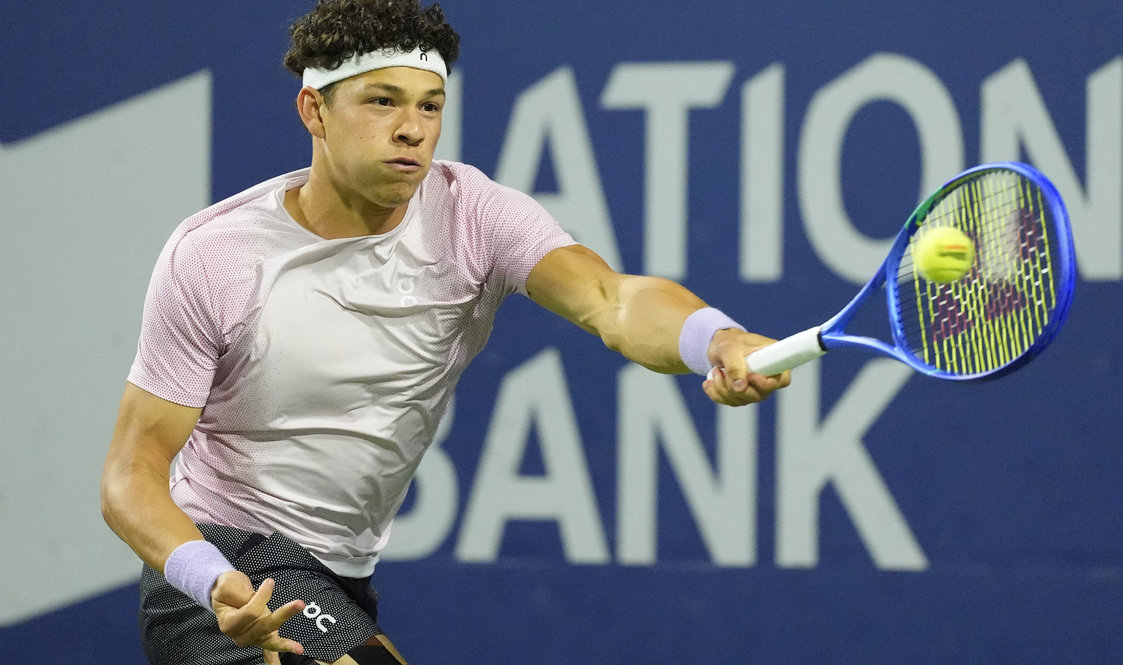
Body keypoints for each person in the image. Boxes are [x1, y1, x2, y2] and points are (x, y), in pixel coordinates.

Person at [100, 1, 790, 663]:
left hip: (342, 576)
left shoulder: (474, 217)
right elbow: (132, 473)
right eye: (382, 101)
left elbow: (612, 300)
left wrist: (716, 339)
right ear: (314, 110)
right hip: (229, 569)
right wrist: (209, 577)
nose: (412, 128)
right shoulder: (215, 257)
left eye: (430, 105)